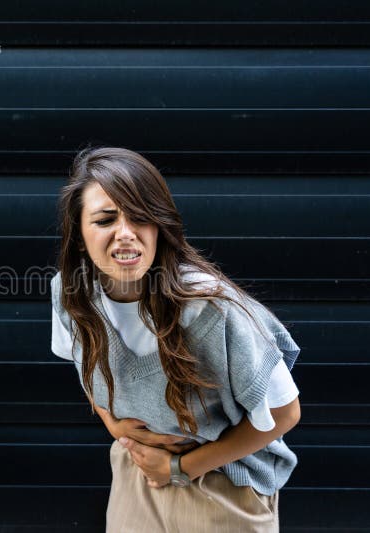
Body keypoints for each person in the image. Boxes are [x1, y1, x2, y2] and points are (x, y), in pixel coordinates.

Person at [49, 146, 302, 532]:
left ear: (159, 226)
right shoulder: (72, 293)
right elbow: (83, 362)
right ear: (80, 235)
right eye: (105, 219)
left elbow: (286, 413)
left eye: (140, 218)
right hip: (138, 472)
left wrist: (182, 468)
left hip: (223, 480)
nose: (126, 234)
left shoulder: (210, 309)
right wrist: (114, 425)